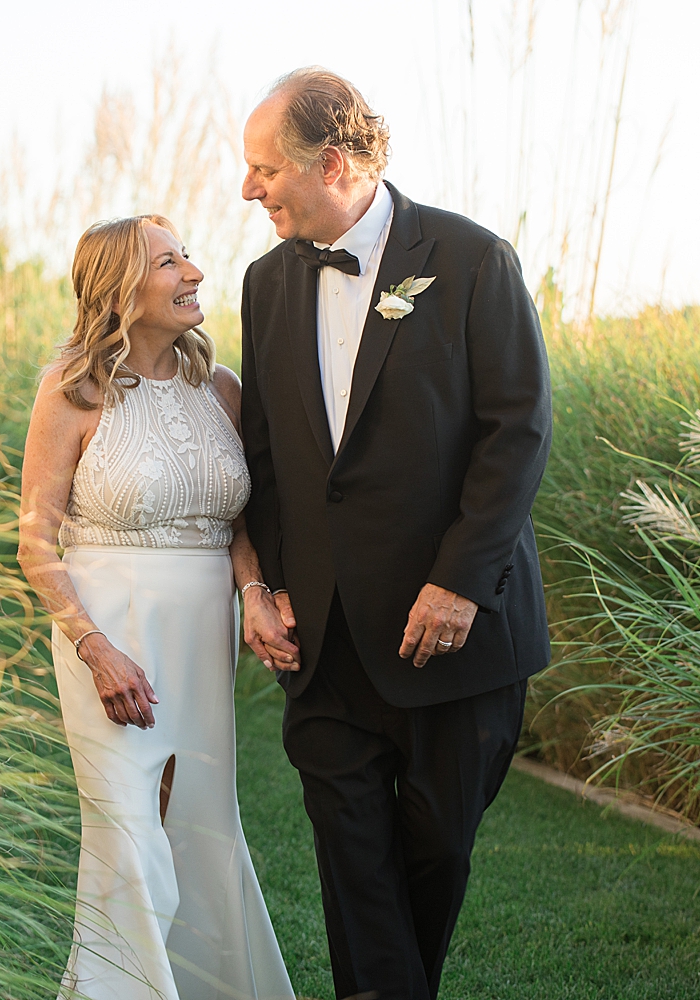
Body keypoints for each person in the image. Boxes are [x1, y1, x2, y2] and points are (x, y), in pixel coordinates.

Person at [238, 68, 553, 1000]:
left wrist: (459, 582)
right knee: (351, 859)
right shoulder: (264, 285)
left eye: (263, 169)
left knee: (436, 854)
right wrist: (267, 583)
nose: (249, 189)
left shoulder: (470, 258)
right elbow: (263, 451)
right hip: (324, 646)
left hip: (453, 637)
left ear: (330, 162)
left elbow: (518, 430)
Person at [18, 214, 299, 1000]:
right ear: (118, 288)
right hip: (110, 627)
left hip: (201, 631)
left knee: (202, 822)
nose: (195, 273)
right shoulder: (71, 389)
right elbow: (34, 542)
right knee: (130, 831)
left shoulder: (221, 389)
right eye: (169, 261)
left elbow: (239, 525)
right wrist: (93, 646)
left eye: (189, 256)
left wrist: (252, 592)